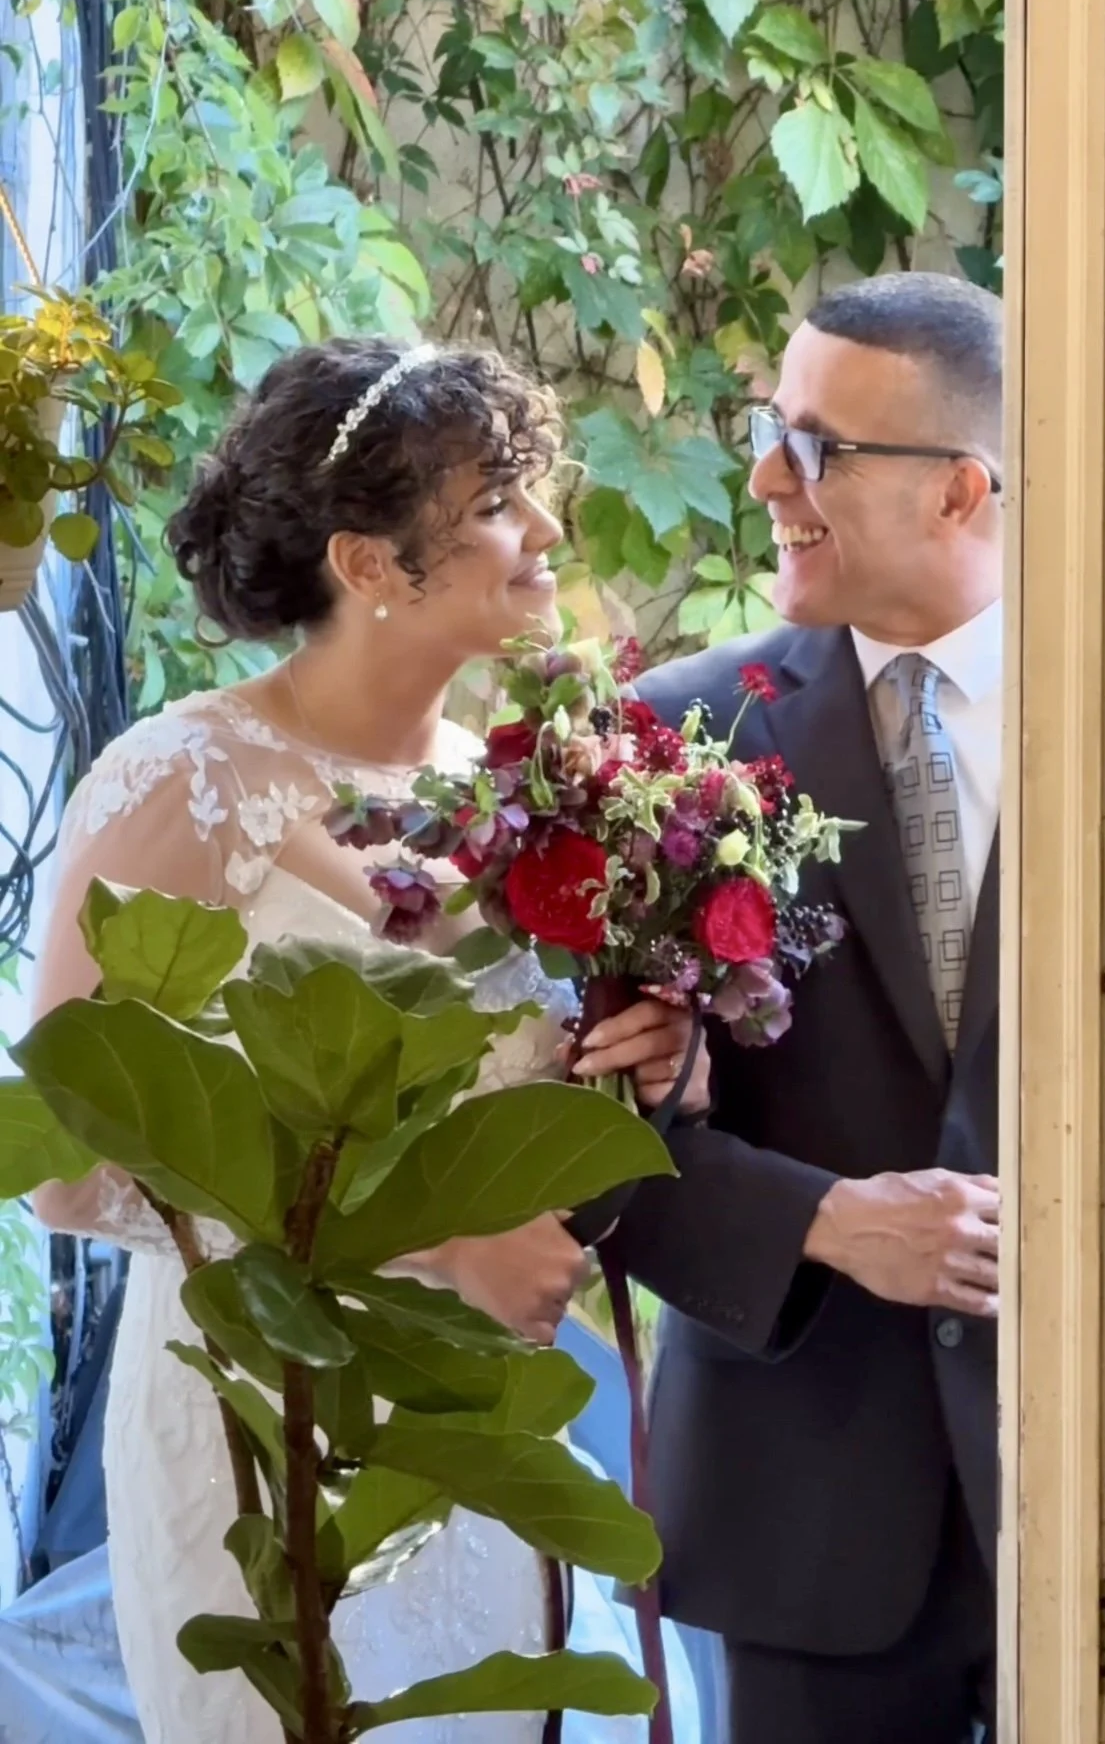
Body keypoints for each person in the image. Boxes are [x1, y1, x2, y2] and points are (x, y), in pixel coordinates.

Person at [30, 338, 704, 1744]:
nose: (547, 537)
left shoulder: (513, 789)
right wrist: (430, 1242)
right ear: (371, 564)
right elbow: (72, 1160)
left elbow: (524, 1095)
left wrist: (651, 1065)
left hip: (482, 1418)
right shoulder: (183, 776)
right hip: (266, 1422)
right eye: (499, 508)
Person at [579, 272, 1003, 1744]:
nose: (767, 476)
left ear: (963, 489)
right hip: (800, 1521)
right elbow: (583, 1152)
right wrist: (826, 1220)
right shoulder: (670, 738)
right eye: (772, 429)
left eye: (817, 445)